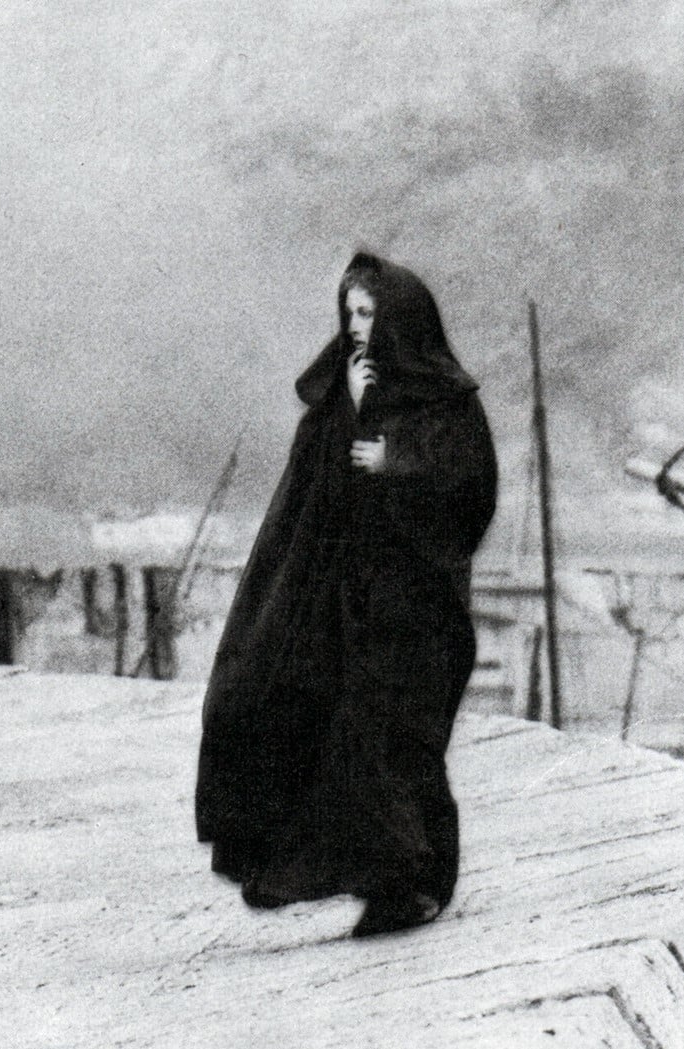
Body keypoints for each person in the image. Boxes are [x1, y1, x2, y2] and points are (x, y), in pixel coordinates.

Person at [194, 251, 498, 936]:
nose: (358, 326)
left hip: (415, 604)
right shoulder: (342, 389)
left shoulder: (447, 403)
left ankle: (413, 883)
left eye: (369, 313)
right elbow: (312, 492)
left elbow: (470, 490)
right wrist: (353, 415)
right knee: (306, 720)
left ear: (401, 319)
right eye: (350, 312)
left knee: (395, 740)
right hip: (347, 599)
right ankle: (317, 870)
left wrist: (397, 460)